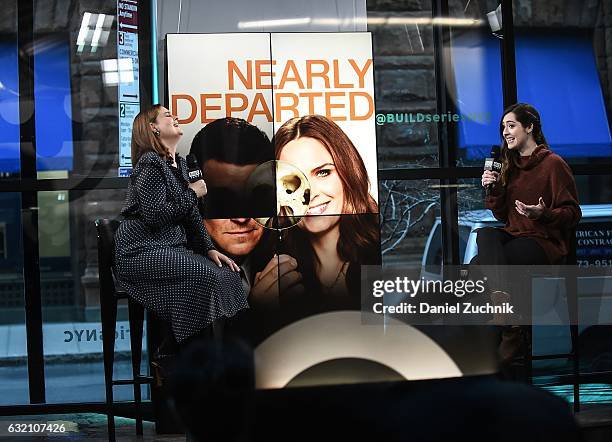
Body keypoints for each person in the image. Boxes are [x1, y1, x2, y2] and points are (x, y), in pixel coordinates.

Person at [114, 105, 246, 346]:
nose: (175, 117)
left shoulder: (183, 165)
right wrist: (192, 193)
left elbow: (191, 217)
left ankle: (221, 356)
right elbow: (154, 216)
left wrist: (208, 249)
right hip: (141, 249)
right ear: (153, 127)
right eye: (167, 116)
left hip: (170, 247)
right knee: (205, 276)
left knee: (229, 276)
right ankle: (185, 356)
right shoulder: (150, 163)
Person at [475, 102, 581, 363]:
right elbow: (502, 216)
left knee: (478, 266)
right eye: (503, 128)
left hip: (542, 242)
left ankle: (509, 329)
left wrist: (541, 214)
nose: (505, 133)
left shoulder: (553, 164)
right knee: (485, 235)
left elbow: (573, 214)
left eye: (511, 126)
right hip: (515, 236)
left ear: (530, 127)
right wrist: (494, 190)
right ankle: (508, 319)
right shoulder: (508, 165)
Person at [190, 117, 302, 306]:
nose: (241, 217)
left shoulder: (298, 259)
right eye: (222, 201)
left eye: (255, 199)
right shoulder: (175, 270)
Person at [274, 114, 380, 305]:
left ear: (349, 173)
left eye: (322, 173)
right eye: (291, 181)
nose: (310, 193)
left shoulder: (384, 250)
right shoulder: (275, 270)